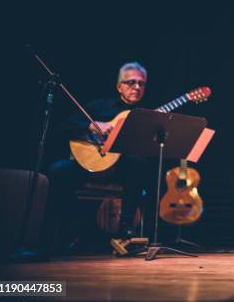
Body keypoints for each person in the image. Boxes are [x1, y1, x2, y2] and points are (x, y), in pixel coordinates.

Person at [40, 62, 151, 255]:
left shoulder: (145, 115)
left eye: (141, 84)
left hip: (121, 170)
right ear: (119, 86)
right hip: (88, 166)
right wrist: (91, 126)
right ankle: (53, 237)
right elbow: (62, 128)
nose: (136, 87)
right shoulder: (98, 106)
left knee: (138, 161)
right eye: (131, 82)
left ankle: (126, 232)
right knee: (58, 169)